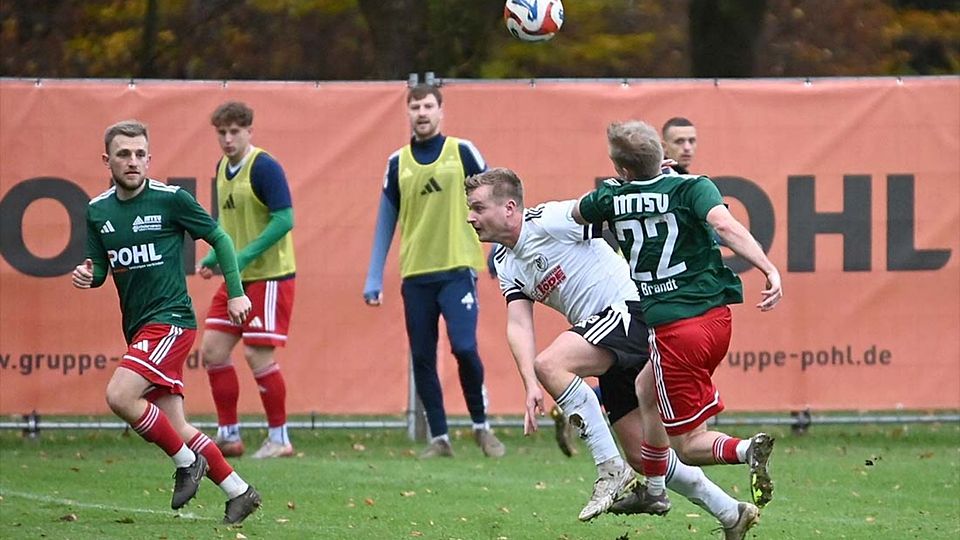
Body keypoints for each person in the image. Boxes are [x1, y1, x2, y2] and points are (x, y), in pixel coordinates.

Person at [466, 168, 760, 537]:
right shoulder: (505, 261)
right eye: (470, 209)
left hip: (629, 310)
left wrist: (647, 178)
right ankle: (731, 512)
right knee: (645, 456)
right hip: (604, 334)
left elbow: (611, 209)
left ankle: (610, 469)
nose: (470, 217)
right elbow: (519, 324)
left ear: (509, 208)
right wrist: (530, 385)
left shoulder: (551, 220)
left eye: (477, 208)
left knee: (552, 363)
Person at [572, 120, 782, 510]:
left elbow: (575, 215)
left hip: (674, 328)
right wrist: (768, 267)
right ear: (663, 155)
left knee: (688, 446)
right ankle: (654, 491)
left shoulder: (609, 197)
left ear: (621, 169)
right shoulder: (693, 186)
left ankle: (746, 450)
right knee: (645, 389)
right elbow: (724, 224)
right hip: (716, 318)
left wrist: (623, 188)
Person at [72, 120, 261, 524]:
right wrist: (90, 276)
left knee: (120, 396)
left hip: (172, 321)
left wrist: (237, 292)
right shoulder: (96, 211)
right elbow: (102, 268)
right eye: (124, 154)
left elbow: (221, 239)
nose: (133, 161)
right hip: (140, 328)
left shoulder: (171, 199)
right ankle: (239, 491)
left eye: (140, 153)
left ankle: (185, 462)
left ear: (150, 158)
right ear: (107, 160)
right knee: (176, 424)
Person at [363, 84, 504, 459]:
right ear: (407, 113)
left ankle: (481, 425)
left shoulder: (462, 152)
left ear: (441, 110)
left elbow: (491, 199)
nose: (422, 112)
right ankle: (439, 437)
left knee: (464, 347)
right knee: (422, 355)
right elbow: (385, 219)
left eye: (428, 105)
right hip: (416, 274)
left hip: (458, 268)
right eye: (415, 106)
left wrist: (498, 247)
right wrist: (374, 274)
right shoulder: (397, 163)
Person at [197, 101, 296, 459]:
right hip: (239, 278)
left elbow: (285, 220)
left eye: (234, 132)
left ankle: (279, 438)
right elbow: (226, 222)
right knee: (212, 350)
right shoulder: (222, 167)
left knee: (257, 353)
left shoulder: (264, 167)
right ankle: (229, 436)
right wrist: (213, 256)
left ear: (249, 132)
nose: (227, 139)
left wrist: (240, 257)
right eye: (221, 133)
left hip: (270, 276)